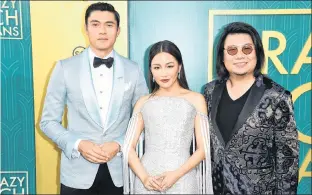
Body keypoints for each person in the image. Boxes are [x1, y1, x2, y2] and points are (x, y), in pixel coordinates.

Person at [39, 2, 148, 195]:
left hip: (120, 172)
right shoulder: (64, 68)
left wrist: (120, 144)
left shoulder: (134, 70)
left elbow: (145, 120)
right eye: (96, 24)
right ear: (86, 28)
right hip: (76, 174)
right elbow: (48, 122)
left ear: (118, 30)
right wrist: (79, 144)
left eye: (109, 25)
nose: (103, 31)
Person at [203, 22, 299, 195]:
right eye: (232, 50)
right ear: (222, 57)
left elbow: (288, 160)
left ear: (257, 53)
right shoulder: (210, 91)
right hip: (216, 189)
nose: (240, 56)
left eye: (247, 49)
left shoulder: (276, 96)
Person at [122, 40, 214, 194]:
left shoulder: (196, 99)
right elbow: (128, 148)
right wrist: (144, 178)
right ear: (150, 70)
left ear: (179, 67)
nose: (163, 73)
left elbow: (203, 149)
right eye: (157, 67)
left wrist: (176, 175)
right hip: (148, 180)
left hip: (183, 178)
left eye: (169, 66)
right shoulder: (143, 102)